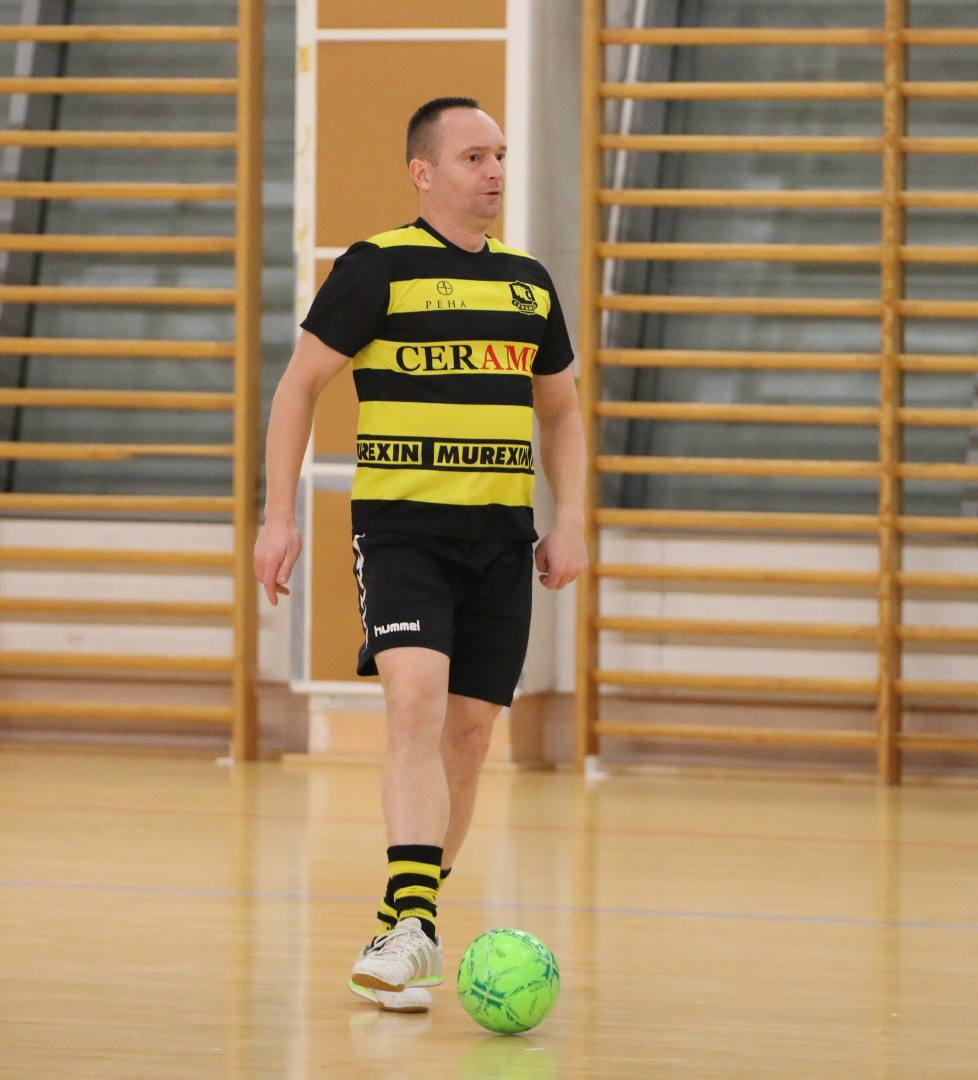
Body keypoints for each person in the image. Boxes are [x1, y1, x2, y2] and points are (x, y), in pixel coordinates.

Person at [253, 96, 587, 1013]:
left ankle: (407, 924)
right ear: (423, 172)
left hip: (500, 539)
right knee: (413, 703)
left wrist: (571, 519)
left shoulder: (527, 284)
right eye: (474, 156)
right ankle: (411, 929)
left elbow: (560, 410)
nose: (495, 171)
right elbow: (299, 387)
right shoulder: (377, 267)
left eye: (500, 155)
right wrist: (278, 517)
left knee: (469, 737)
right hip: (402, 533)